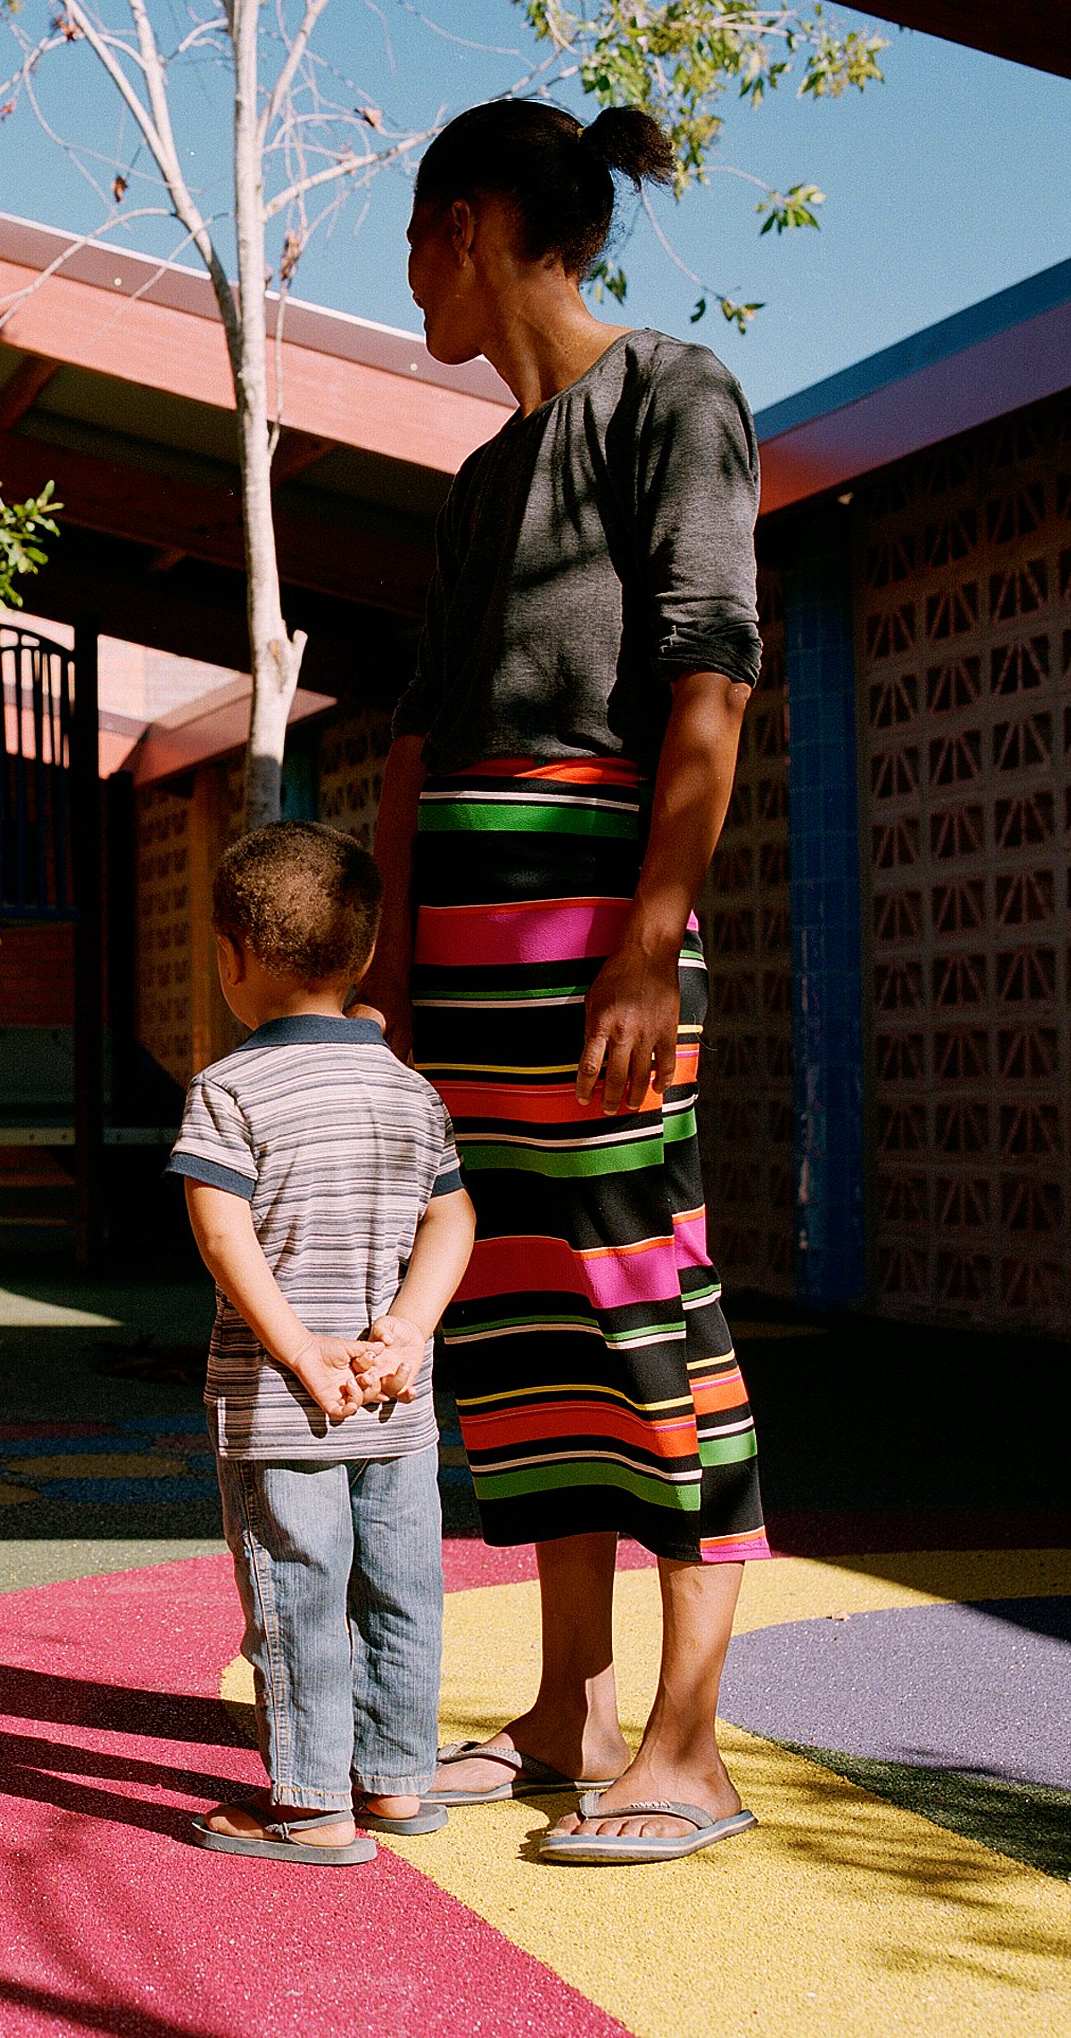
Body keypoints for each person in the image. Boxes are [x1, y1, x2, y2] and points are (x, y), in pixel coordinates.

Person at [352, 98, 770, 1866]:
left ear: (474, 222)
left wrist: (644, 938)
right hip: (467, 956)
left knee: (638, 1292)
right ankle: (562, 1706)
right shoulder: (481, 477)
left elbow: (708, 687)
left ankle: (688, 1741)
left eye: (413, 238)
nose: (406, 276)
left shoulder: (675, 398)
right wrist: (384, 970)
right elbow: (419, 735)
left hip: (598, 935)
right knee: (517, 1308)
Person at [171, 822, 476, 1865]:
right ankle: (397, 1781)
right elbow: (454, 1218)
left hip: (282, 1398)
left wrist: (299, 1345)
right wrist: (405, 1329)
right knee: (400, 1583)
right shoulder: (407, 1086)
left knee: (296, 1584)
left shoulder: (230, 1088)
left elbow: (221, 1228)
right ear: (365, 956)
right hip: (397, 1396)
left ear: (231, 955)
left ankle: (310, 1802)